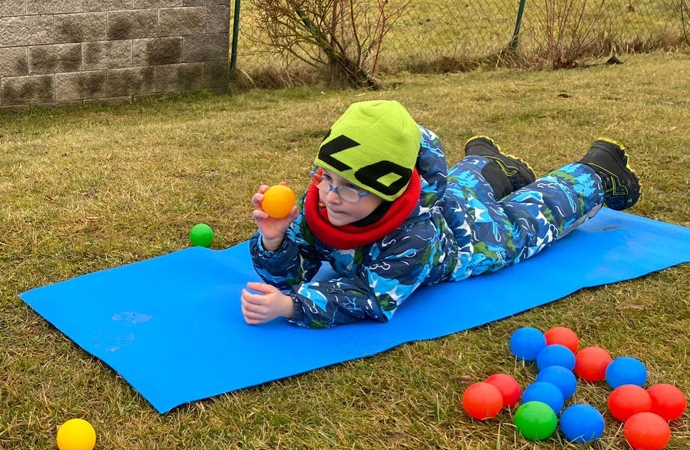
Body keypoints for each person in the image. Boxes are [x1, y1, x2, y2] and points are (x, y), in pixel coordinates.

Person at [240, 99, 641, 328]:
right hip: (448, 199)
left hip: (466, 239)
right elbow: (294, 273)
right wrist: (274, 240)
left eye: (350, 188)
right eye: (326, 178)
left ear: (390, 193)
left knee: (527, 223)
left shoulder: (414, 237)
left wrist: (293, 306)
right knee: (460, 186)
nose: (331, 196)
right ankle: (490, 163)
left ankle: (597, 171)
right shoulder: (322, 203)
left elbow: (374, 296)